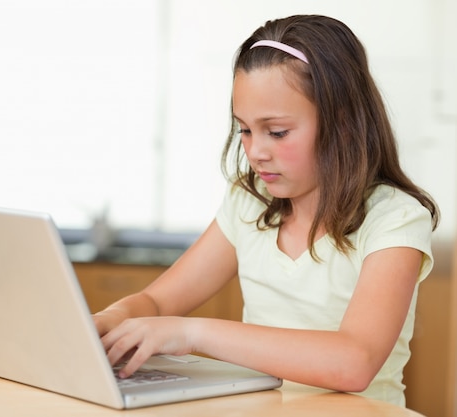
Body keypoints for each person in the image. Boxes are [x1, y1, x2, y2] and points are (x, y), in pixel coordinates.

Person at [93, 14, 440, 407]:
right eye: (244, 129)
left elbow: (354, 362)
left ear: (342, 123)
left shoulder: (395, 219)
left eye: (276, 132)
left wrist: (192, 333)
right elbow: (156, 303)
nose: (256, 151)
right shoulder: (248, 203)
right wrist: (111, 318)